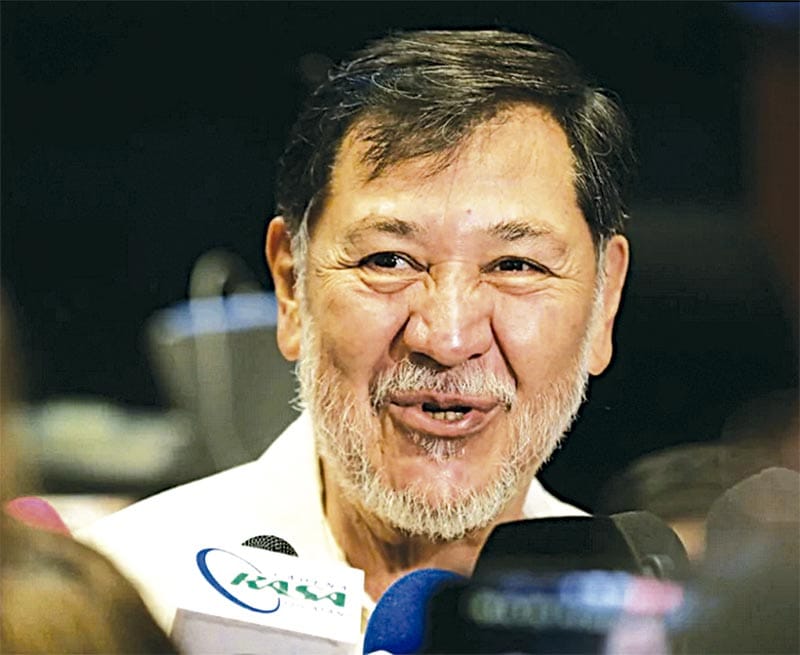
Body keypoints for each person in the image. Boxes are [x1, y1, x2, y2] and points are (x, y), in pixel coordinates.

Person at [78, 28, 633, 632]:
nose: (447, 338)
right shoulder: (122, 601)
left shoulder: (645, 625)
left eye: (515, 266)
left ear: (603, 300)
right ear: (291, 287)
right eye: (388, 261)